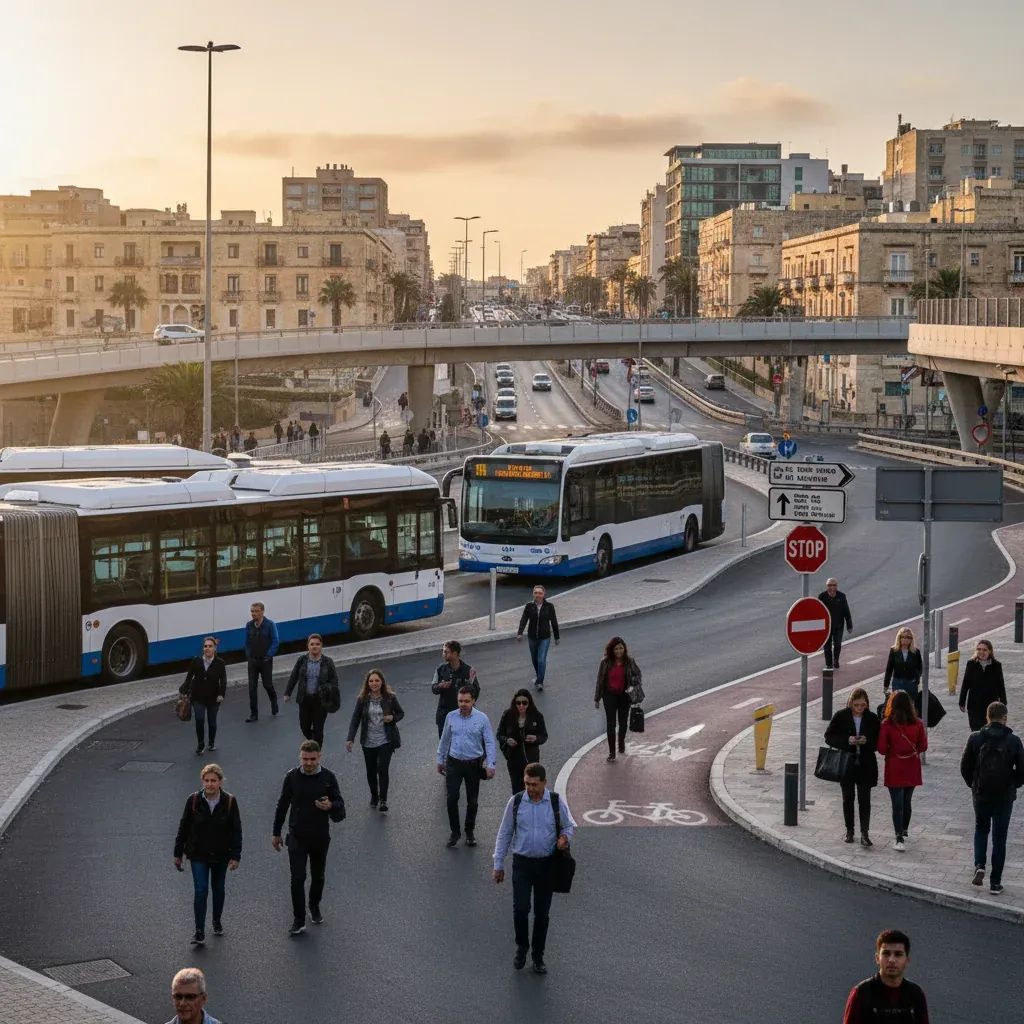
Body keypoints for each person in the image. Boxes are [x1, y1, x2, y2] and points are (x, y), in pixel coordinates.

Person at [492, 762, 576, 976]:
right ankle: (522, 947)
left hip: (546, 865)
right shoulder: (516, 802)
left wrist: (564, 838)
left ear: (544, 783)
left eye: (534, 784)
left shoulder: (556, 802)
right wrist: (498, 864)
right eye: (527, 783)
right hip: (522, 863)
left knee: (542, 914)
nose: (530, 788)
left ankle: (538, 956)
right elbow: (504, 833)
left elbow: (568, 825)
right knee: (520, 909)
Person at [272, 740, 345, 935]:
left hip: (320, 836)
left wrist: (331, 806)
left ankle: (314, 905)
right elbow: (282, 805)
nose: (309, 763)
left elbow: (340, 807)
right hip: (297, 836)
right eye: (305, 759)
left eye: (312, 759)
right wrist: (276, 832)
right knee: (297, 878)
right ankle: (299, 918)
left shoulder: (328, 778)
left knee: (318, 875)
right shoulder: (292, 777)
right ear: (300, 757)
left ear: (319, 756)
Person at [959, 701, 1024, 895]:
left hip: (981, 793)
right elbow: (1022, 771)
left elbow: (965, 767)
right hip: (1004, 796)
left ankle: (979, 865)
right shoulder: (1013, 741)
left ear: (987, 717)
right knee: (999, 837)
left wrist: (974, 784)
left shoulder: (975, 738)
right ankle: (995, 883)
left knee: (981, 829)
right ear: (1004, 717)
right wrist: (1013, 784)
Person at [173, 764, 242, 946]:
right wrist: (178, 853)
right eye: (206, 780)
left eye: (213, 780)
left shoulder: (229, 802)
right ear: (202, 781)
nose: (210, 784)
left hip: (221, 855)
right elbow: (184, 827)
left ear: (220, 781)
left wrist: (236, 856)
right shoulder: (194, 800)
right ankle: (199, 930)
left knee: (218, 890)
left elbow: (236, 830)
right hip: (198, 855)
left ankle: (216, 920)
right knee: (201, 890)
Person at [437, 685, 497, 848]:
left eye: (466, 701)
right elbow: (445, 739)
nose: (463, 704)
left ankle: (469, 831)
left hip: (473, 764)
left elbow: (490, 742)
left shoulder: (482, 718)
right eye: (460, 701)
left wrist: (491, 764)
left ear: (474, 701)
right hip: (454, 763)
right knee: (451, 798)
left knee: (472, 801)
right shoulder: (451, 717)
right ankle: (455, 832)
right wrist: (440, 759)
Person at [824, 687, 880, 847]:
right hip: (846, 763)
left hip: (866, 763)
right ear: (850, 703)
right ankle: (850, 830)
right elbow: (828, 737)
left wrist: (866, 741)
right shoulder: (841, 716)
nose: (859, 709)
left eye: (863, 705)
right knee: (848, 799)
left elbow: (878, 742)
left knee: (864, 800)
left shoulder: (872, 718)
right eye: (856, 705)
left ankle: (864, 833)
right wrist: (846, 740)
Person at [345, 668, 405, 812]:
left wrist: (393, 718)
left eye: (377, 680)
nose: (374, 683)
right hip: (368, 741)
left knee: (383, 769)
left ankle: (383, 800)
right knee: (371, 771)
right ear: (367, 683)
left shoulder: (390, 697)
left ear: (382, 682)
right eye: (371, 681)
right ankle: (374, 795)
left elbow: (401, 713)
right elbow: (355, 719)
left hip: (386, 740)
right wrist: (350, 738)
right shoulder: (362, 699)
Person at [842, 929, 929, 1023]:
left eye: (898, 954)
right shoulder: (861, 993)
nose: (891, 960)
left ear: (907, 960)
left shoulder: (916, 994)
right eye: (886, 953)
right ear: (877, 958)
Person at [877, 690, 927, 852]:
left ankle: (898, 835)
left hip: (894, 765)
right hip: (911, 765)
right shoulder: (918, 723)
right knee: (907, 801)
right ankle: (904, 829)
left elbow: (882, 749)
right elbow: (923, 746)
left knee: (896, 803)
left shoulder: (887, 724)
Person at [284, 634, 339, 749]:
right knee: (304, 726)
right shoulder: (302, 660)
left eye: (317, 644)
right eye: (312, 644)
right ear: (308, 646)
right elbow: (294, 676)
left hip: (320, 701)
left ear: (321, 646)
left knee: (318, 729)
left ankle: (316, 752)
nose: (315, 646)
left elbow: (334, 680)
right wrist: (287, 693)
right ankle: (313, 742)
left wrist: (329, 691)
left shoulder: (328, 662)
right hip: (304, 699)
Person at [593, 636, 641, 762]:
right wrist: (597, 698)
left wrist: (632, 684)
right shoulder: (605, 662)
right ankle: (612, 752)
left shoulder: (630, 661)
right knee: (610, 724)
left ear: (624, 649)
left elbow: (638, 675)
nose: (619, 651)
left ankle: (621, 741)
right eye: (616, 649)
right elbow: (600, 681)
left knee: (623, 722)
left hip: (625, 696)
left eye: (621, 648)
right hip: (609, 696)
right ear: (611, 650)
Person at [179, 637, 227, 755]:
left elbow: (223, 680)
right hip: (198, 697)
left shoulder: (220, 663)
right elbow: (189, 677)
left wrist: (221, 694)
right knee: (199, 719)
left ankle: (211, 742)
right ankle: (200, 744)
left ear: (215, 648)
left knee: (212, 722)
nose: (207, 648)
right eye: (205, 646)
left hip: (213, 697)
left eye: (210, 646)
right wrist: (183, 691)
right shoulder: (196, 661)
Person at [496, 689, 548, 793]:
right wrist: (507, 740)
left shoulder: (537, 716)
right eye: (518, 703)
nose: (521, 706)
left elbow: (544, 736)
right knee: (517, 791)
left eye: (524, 703)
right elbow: (499, 734)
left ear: (529, 703)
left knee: (532, 789)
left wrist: (536, 739)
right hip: (513, 760)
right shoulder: (508, 715)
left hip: (531, 761)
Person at [430, 640, 480, 737]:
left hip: (463, 714)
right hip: (444, 715)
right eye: (443, 651)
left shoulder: (469, 671)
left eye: (446, 652)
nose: (443, 654)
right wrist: (440, 686)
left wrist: (468, 704)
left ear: (455, 653)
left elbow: (476, 690)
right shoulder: (440, 669)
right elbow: (433, 688)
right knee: (445, 745)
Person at [516, 585, 560, 691]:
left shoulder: (549, 606)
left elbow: (554, 622)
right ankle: (538, 675)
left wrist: (556, 636)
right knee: (535, 660)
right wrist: (520, 633)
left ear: (544, 594)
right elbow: (524, 619)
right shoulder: (529, 606)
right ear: (533, 594)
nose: (538, 595)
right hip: (532, 638)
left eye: (540, 593)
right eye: (536, 593)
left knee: (541, 660)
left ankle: (540, 681)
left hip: (545, 638)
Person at [959, 639, 1007, 731]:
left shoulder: (996, 665)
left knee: (991, 731)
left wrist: (1003, 703)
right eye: (979, 649)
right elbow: (966, 684)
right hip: (974, 706)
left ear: (990, 651)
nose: (981, 652)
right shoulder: (971, 664)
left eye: (984, 650)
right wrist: (962, 701)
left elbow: (1000, 685)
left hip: (991, 706)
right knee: (976, 732)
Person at [244, 602, 279, 722]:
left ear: (262, 611)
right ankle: (254, 714)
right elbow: (247, 642)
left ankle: (274, 701)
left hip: (265, 661)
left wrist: (269, 655)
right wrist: (248, 656)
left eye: (256, 611)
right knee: (252, 688)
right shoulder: (249, 625)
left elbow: (275, 641)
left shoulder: (270, 625)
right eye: (252, 611)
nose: (253, 613)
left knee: (267, 684)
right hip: (253, 661)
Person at [818, 577, 853, 669]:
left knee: (837, 644)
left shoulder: (841, 596)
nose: (832, 587)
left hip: (838, 625)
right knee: (827, 646)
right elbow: (817, 612)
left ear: (837, 586)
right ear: (826, 586)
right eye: (830, 585)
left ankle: (836, 660)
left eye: (834, 585)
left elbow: (846, 611)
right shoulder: (822, 596)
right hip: (826, 627)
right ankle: (829, 664)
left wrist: (849, 625)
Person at [883, 627, 922, 699]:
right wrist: (886, 686)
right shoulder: (894, 651)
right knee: (898, 704)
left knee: (911, 705)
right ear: (899, 638)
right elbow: (889, 669)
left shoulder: (916, 652)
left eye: (908, 637)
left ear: (911, 639)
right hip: (898, 683)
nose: (905, 639)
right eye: (903, 637)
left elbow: (920, 668)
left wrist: (916, 680)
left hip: (911, 683)